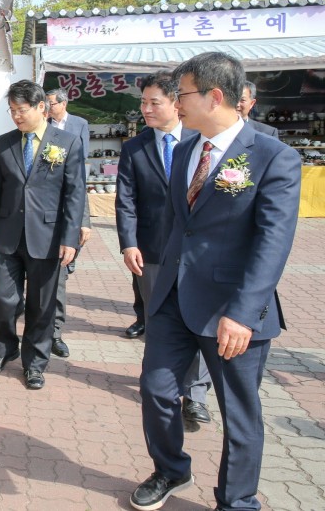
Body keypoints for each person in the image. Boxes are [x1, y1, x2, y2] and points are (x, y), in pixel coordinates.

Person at [130, 52, 301, 511]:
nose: (175, 103)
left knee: (239, 415)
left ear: (216, 96)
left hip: (233, 310)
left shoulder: (273, 157)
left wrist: (242, 314)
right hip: (173, 299)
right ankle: (170, 469)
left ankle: (237, 499)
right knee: (156, 389)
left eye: (182, 94)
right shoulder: (186, 148)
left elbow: (273, 244)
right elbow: (178, 224)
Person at [115, 70, 211, 427]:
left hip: (195, 253)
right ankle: (160, 385)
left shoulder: (202, 141)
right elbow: (126, 200)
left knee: (199, 320)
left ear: (175, 102)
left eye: (154, 102)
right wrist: (128, 243)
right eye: (143, 102)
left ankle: (195, 394)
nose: (146, 109)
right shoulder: (135, 147)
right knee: (157, 321)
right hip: (152, 250)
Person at [0, 81, 85, 390]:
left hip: (48, 236)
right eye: (11, 111)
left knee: (42, 305)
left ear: (42, 107)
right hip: (8, 234)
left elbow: (74, 194)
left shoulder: (67, 142)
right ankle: (3, 349)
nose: (15, 116)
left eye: (21, 110)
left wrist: (70, 238)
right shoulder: (4, 143)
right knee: (2, 298)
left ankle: (35, 363)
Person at [45, 89, 92, 359]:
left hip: (63, 221)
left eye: (51, 105)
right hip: (33, 226)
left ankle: (55, 333)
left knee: (58, 282)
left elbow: (79, 180)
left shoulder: (77, 129)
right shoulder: (32, 135)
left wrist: (83, 221)